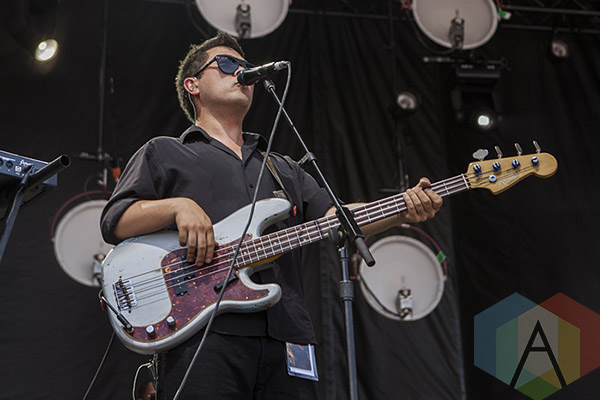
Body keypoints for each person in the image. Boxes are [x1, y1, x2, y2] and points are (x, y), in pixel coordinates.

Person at [100, 31, 442, 400]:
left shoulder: (283, 168)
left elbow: (338, 219)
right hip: (203, 335)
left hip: (286, 334)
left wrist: (402, 209)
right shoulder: (166, 153)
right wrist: (177, 206)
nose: (241, 72)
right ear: (192, 85)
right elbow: (115, 220)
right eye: (227, 64)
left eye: (246, 66)